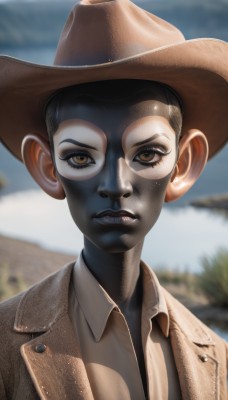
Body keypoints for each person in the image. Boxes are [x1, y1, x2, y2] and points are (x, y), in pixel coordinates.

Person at [0, 1, 227, 399]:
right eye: (80, 157)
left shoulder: (215, 358)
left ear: (184, 164)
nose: (116, 183)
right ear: (47, 168)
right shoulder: (4, 348)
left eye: (148, 154)